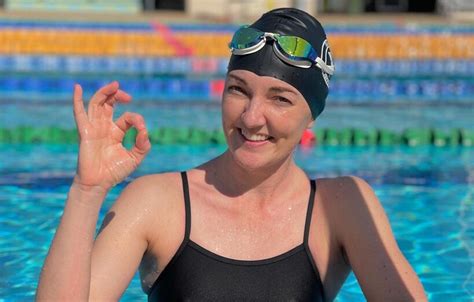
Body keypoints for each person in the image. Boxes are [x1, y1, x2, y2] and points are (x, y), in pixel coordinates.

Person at [37, 8, 426, 301]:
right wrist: (87, 191)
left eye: (280, 98)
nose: (252, 117)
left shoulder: (340, 208)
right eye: (239, 89)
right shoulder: (157, 203)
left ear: (312, 115)